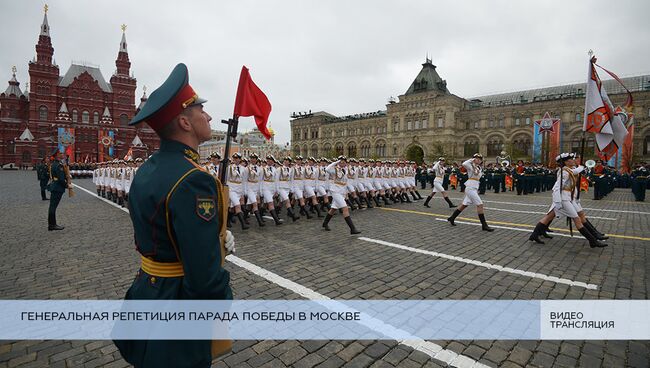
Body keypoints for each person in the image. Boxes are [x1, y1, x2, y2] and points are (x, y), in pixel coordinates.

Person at [114, 63, 234, 368]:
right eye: (200, 110)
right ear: (184, 122)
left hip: (147, 290)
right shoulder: (194, 180)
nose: (208, 115)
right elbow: (204, 278)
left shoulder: (148, 168)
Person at [528, 153, 607, 248]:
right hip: (563, 198)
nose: (573, 160)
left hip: (569, 197)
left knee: (549, 217)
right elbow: (557, 187)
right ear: (566, 162)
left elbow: (575, 172)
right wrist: (557, 201)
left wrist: (581, 168)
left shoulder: (569, 170)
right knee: (576, 219)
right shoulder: (564, 172)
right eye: (570, 160)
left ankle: (534, 235)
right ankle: (592, 240)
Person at [447, 153, 494, 232]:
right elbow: (464, 164)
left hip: (474, 187)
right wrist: (472, 160)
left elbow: (478, 176)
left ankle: (452, 218)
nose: (478, 160)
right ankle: (484, 225)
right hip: (470, 187)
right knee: (480, 204)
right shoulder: (470, 165)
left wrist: (478, 165)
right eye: (476, 158)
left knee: (464, 205)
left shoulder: (479, 168)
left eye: (480, 159)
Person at [322, 156, 361, 234]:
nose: (343, 163)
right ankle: (352, 229)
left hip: (341, 191)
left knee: (333, 209)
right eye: (341, 162)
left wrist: (345, 193)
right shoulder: (334, 169)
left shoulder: (345, 170)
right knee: (345, 208)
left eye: (344, 162)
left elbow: (345, 182)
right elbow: (327, 169)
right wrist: (336, 162)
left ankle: (325, 223)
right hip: (335, 191)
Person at [47, 150, 67, 230]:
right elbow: (61, 179)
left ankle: (52, 224)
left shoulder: (54, 164)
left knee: (52, 206)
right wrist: (66, 185)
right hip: (57, 187)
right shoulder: (59, 165)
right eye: (61, 153)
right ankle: (52, 225)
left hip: (55, 186)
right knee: (53, 207)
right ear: (57, 155)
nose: (62, 154)